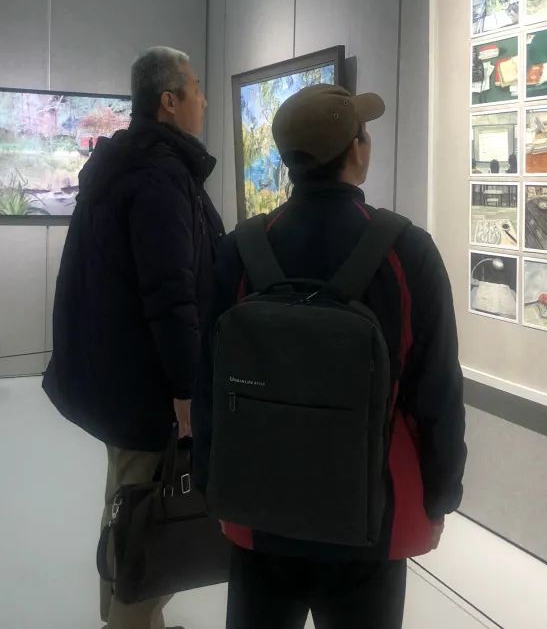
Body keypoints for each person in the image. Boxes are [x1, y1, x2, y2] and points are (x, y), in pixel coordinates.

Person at [194, 84, 467, 629]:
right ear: (357, 150)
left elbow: (209, 382)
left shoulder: (242, 249)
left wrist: (209, 481)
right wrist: (440, 496)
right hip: (369, 515)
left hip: (256, 505)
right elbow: (436, 390)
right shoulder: (406, 250)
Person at [44, 46, 223, 629]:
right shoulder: (158, 176)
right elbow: (170, 293)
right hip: (145, 385)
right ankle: (128, 620)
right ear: (169, 101)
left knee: (128, 503)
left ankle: (122, 617)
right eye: (196, 89)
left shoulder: (127, 165)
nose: (203, 101)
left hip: (119, 376)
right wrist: (186, 387)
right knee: (148, 518)